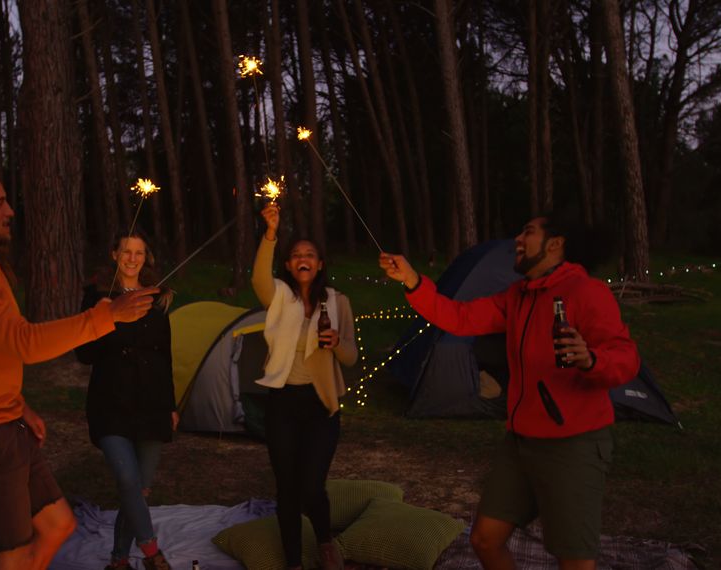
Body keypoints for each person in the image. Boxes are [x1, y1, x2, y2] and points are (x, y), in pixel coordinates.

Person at [0, 167, 157, 570]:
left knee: (57, 525)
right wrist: (105, 317)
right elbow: (22, 342)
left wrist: (18, 405)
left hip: (4, 423)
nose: (10, 212)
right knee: (14, 556)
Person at [378, 214, 640, 570]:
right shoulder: (517, 296)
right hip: (521, 441)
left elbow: (625, 359)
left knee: (574, 562)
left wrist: (591, 358)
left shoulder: (586, 292)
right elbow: (460, 318)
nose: (518, 238)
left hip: (572, 444)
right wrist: (411, 280)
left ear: (555, 244)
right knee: (485, 540)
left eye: (528, 232)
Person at [252, 203, 357, 570]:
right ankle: (294, 562)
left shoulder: (337, 302)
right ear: (288, 265)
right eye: (296, 255)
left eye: (309, 255)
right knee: (287, 489)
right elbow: (258, 281)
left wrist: (336, 342)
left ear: (320, 264)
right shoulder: (279, 297)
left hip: (321, 406)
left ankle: (325, 543)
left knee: (312, 486)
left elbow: (351, 357)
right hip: (283, 403)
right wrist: (270, 234)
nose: (303, 259)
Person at [75, 231, 176, 570]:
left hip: (151, 408)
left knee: (139, 493)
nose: (132, 258)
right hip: (111, 405)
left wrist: (171, 407)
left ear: (146, 258)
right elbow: (84, 353)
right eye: (126, 251)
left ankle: (118, 560)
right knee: (128, 482)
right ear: (114, 254)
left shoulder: (157, 298)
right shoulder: (98, 297)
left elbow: (165, 358)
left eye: (139, 252)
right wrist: (108, 317)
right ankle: (152, 554)